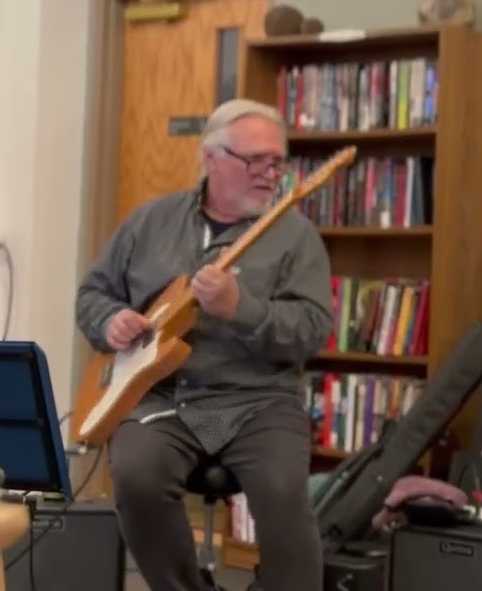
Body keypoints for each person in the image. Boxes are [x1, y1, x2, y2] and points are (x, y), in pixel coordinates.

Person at [75, 98, 332, 591]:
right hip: (164, 398)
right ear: (212, 158)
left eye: (277, 161)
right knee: (136, 474)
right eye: (254, 160)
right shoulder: (150, 222)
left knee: (284, 495)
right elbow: (93, 293)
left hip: (258, 399)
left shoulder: (297, 238)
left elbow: (313, 330)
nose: (269, 173)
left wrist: (243, 307)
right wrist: (109, 321)